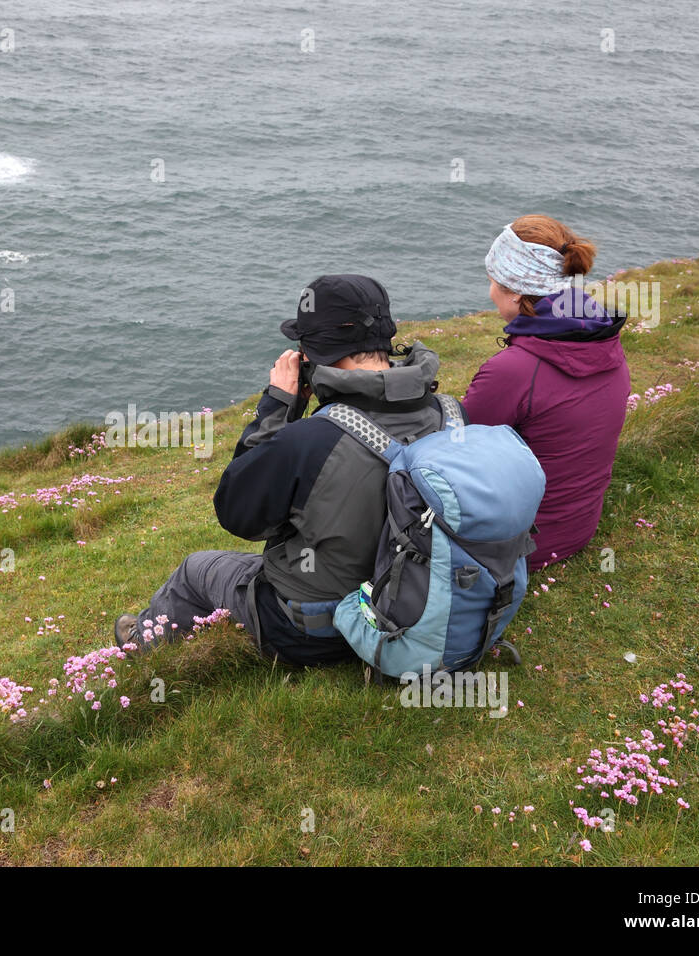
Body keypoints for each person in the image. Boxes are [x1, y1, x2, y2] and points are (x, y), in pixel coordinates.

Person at [114, 274, 451, 665]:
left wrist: (277, 406)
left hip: (321, 632)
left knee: (196, 570)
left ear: (313, 352)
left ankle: (141, 648)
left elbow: (239, 513)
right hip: (417, 606)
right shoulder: (448, 415)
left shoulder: (311, 440)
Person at [461, 215, 631, 570]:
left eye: (492, 279)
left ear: (515, 289)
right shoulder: (604, 339)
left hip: (524, 545)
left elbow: (459, 452)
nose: (488, 290)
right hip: (577, 527)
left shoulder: (513, 370)